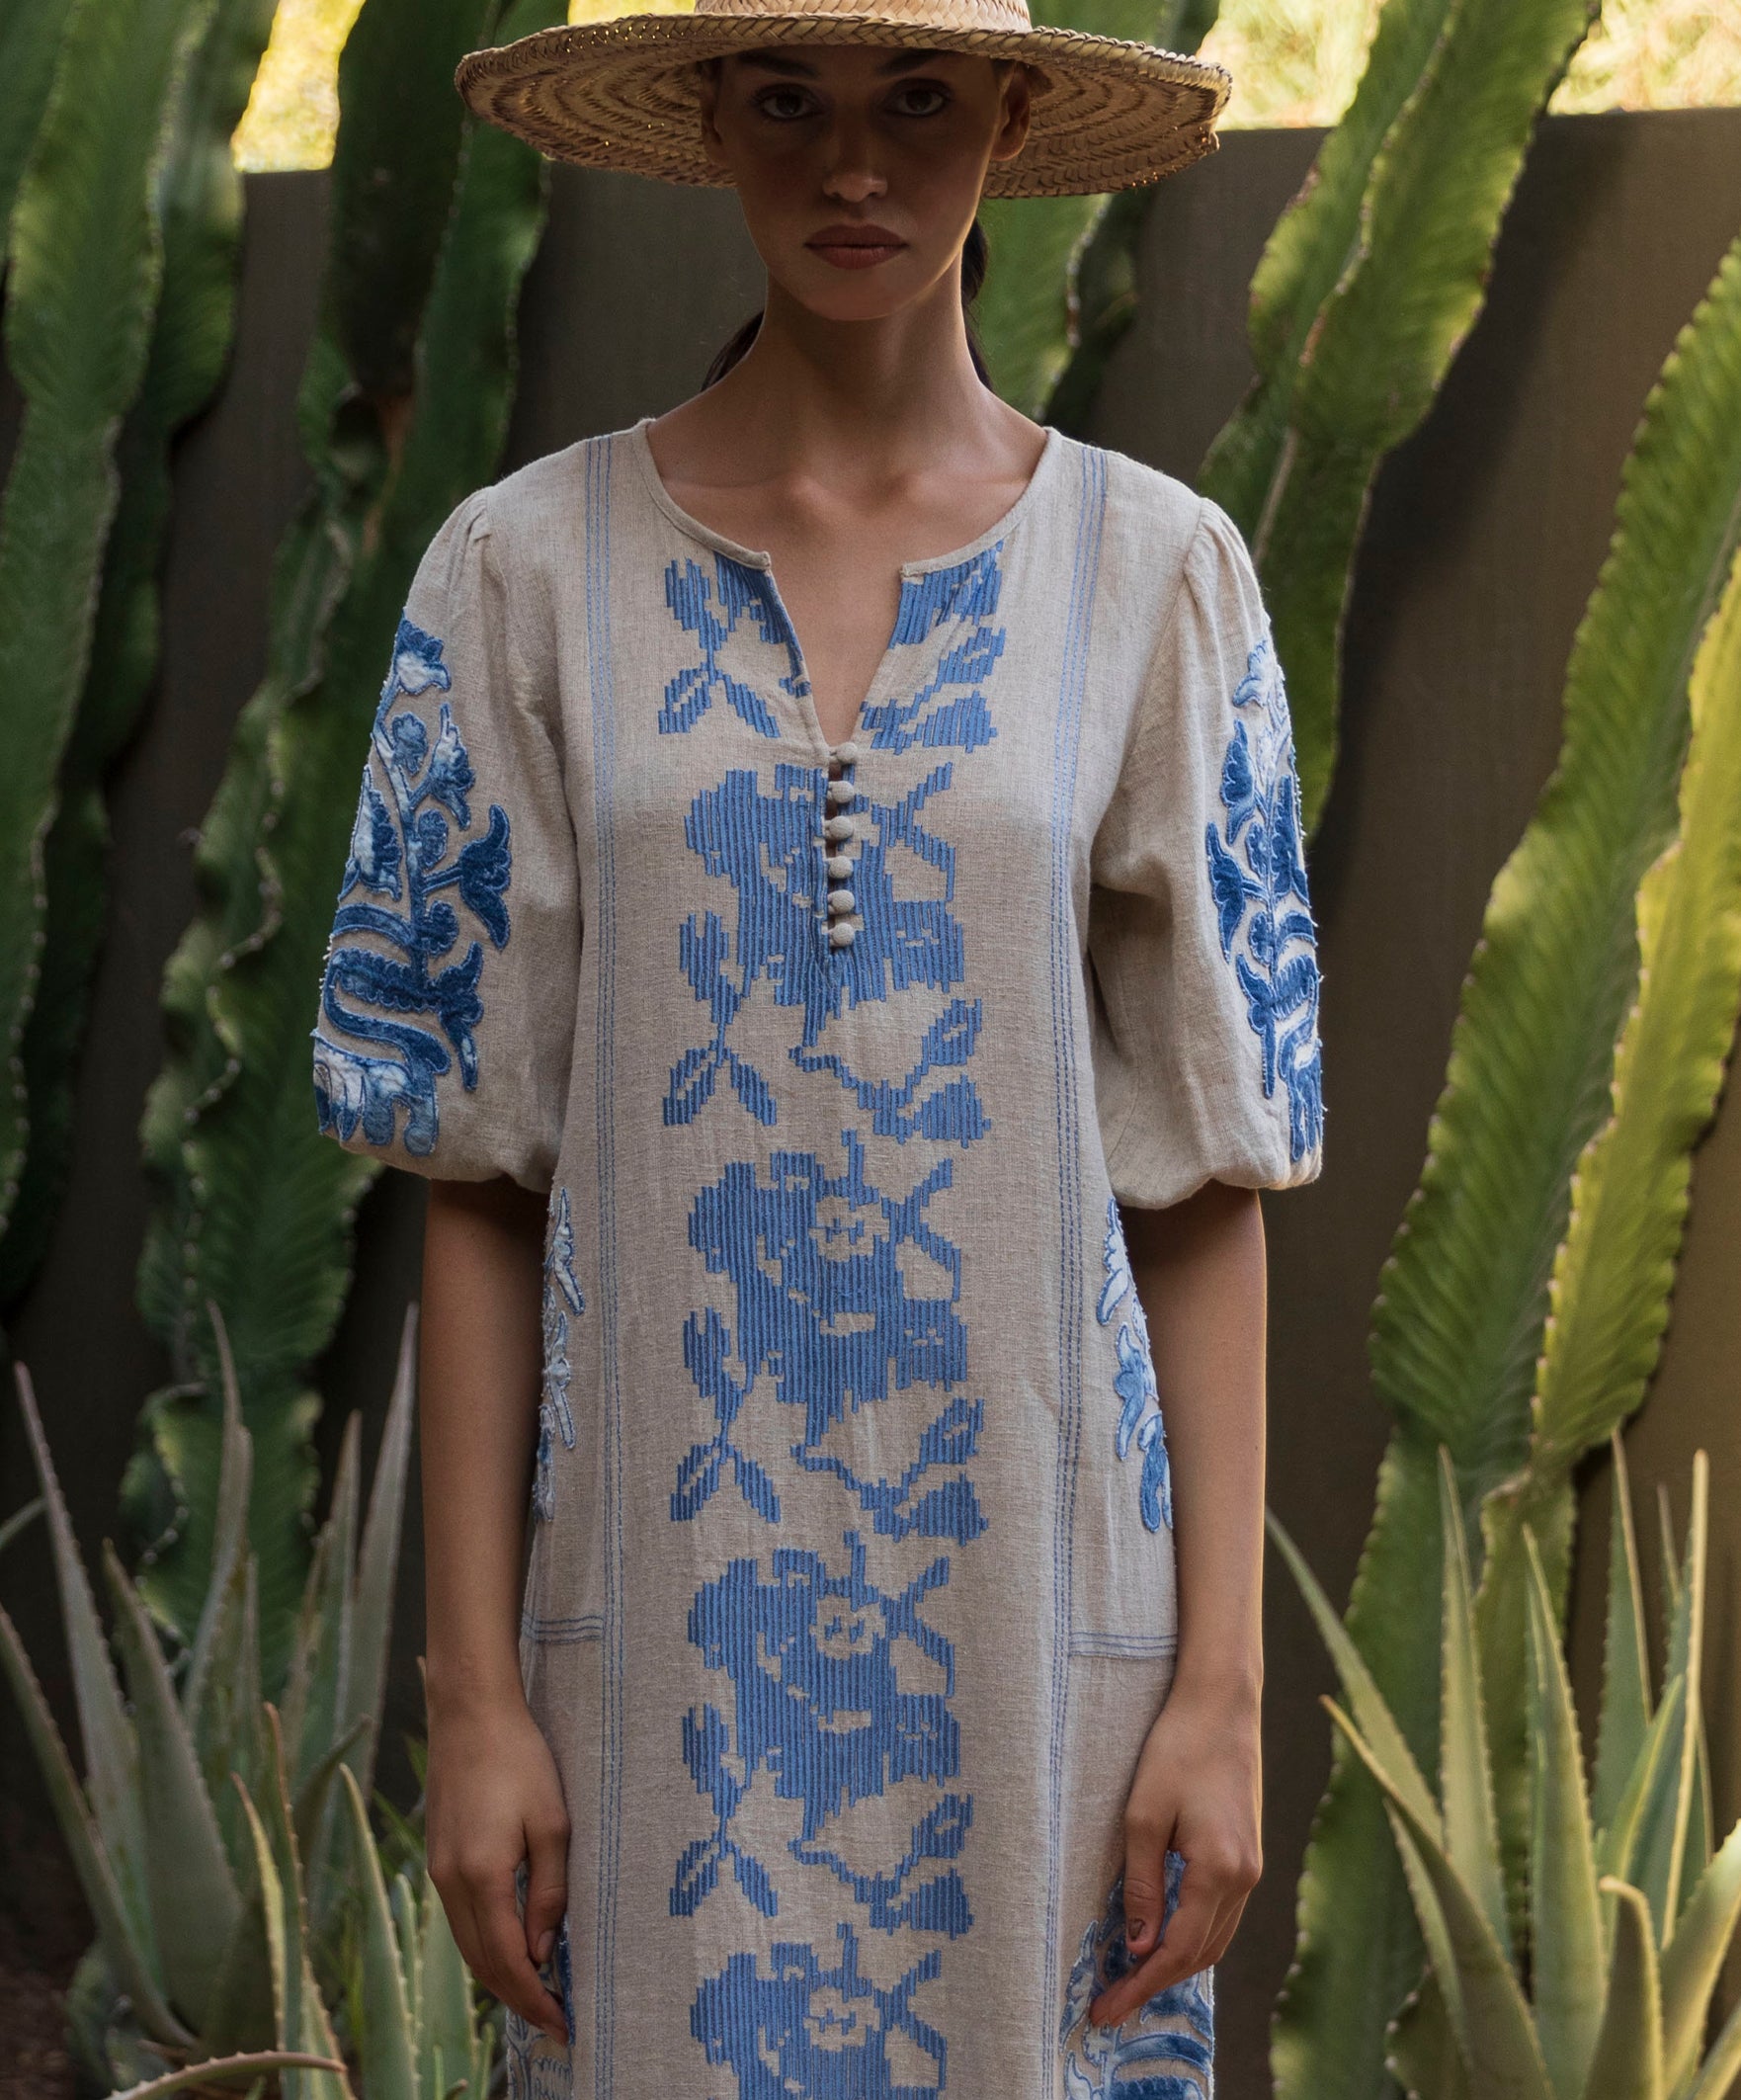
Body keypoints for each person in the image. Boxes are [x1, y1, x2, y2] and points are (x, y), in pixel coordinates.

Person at [310, 0, 1324, 2090]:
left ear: (1010, 118)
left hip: (1053, 1663)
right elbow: (479, 1178)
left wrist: (1216, 1689)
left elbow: (1204, 1177)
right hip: (648, 1666)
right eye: (787, 101)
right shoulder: (518, 576)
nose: (850, 164)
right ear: (708, 118)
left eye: (914, 100)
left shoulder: (1158, 583)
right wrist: (479, 1696)